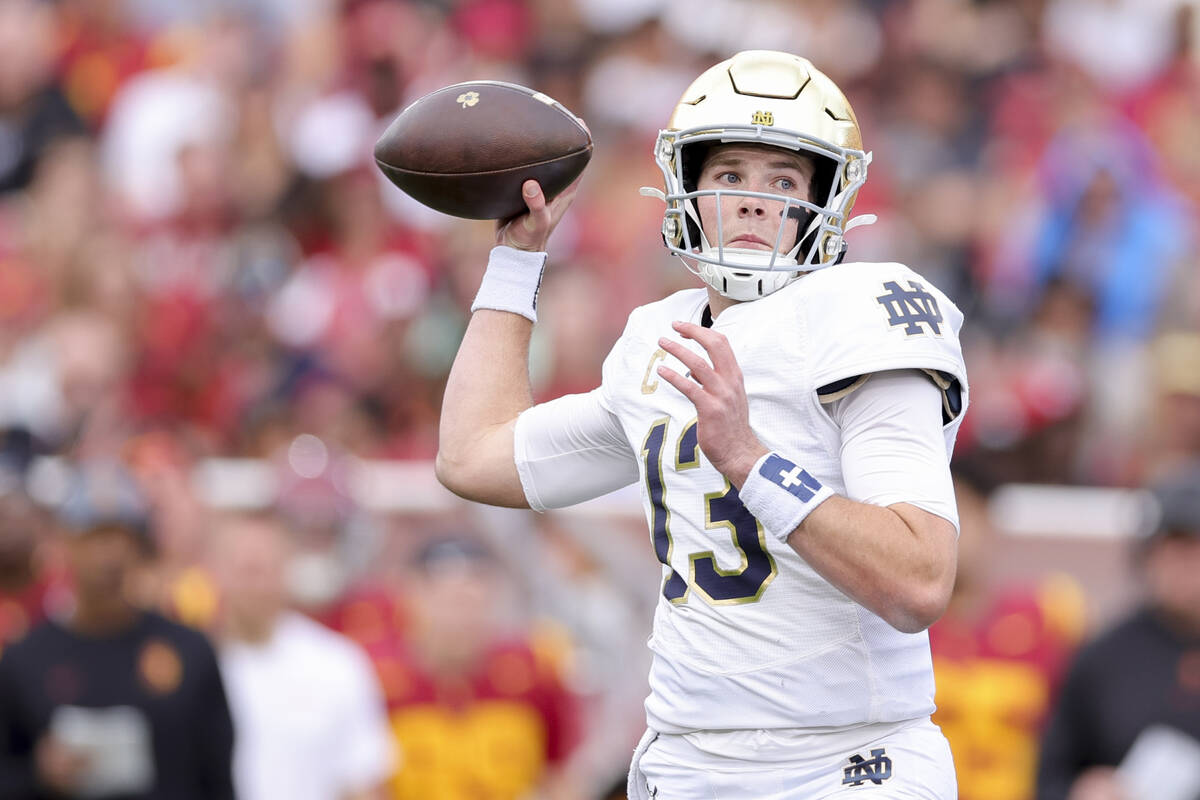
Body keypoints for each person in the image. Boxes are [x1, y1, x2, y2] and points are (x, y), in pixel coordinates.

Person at [435, 50, 969, 798]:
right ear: (685, 190)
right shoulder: (660, 338)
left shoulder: (862, 315)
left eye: (782, 180)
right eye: (729, 176)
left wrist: (749, 459)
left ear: (830, 200)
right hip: (690, 761)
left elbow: (919, 579)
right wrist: (518, 261)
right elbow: (473, 458)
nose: (753, 201)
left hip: (845, 761)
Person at [0, 461, 235, 799]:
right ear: (64, 543)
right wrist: (38, 772)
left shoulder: (188, 650)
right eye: (93, 537)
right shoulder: (25, 660)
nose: (108, 555)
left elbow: (218, 772)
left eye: (119, 537)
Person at [1035, 462, 1200, 800]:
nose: (1186, 563)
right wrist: (1082, 791)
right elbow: (1050, 776)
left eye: (1196, 547)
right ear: (1146, 555)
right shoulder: (1103, 656)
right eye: (1173, 547)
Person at [209, 510, 394, 800]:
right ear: (215, 570)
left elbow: (363, 782)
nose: (254, 584)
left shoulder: (336, 663)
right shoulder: (191, 666)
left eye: (264, 569)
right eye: (243, 569)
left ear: (287, 569)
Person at [386, 535, 580, 800]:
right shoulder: (375, 677)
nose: (460, 618)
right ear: (413, 596)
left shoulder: (535, 669)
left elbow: (560, 775)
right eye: (449, 601)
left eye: (473, 602)